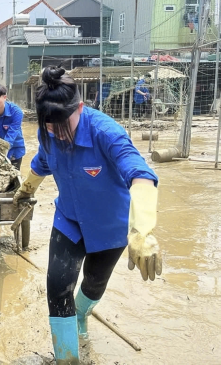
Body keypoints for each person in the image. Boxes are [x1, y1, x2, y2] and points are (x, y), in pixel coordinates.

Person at [13, 66, 162, 364]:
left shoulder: (106, 132)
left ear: (80, 107)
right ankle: (67, 358)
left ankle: (82, 315)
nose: (56, 132)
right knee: (57, 288)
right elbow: (42, 163)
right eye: (48, 126)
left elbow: (141, 174)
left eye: (61, 125)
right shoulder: (49, 134)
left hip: (110, 226)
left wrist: (142, 230)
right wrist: (26, 189)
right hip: (68, 220)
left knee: (93, 284)